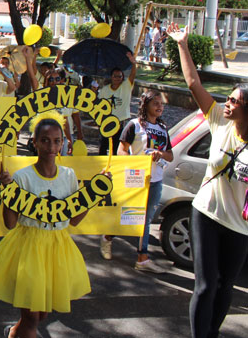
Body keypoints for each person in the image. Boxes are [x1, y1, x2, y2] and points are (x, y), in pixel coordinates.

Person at [167, 24, 248, 338]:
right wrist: (183, 45)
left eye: (232, 101)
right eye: (227, 99)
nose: (225, 103)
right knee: (204, 285)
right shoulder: (218, 121)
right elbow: (192, 83)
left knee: (225, 285)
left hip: (239, 225)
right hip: (206, 213)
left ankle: (211, 332)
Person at [0, 117, 92, 338]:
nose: (51, 147)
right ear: (34, 142)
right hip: (29, 249)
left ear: (62, 143)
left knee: (41, 314)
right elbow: (10, 222)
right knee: (33, 317)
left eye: (56, 141)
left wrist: (94, 194)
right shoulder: (22, 177)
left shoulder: (69, 176)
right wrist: (7, 192)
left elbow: (74, 219)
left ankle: (13, 333)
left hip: (57, 250)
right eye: (45, 141)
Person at [102, 90, 173, 270]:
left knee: (146, 219)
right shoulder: (134, 125)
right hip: (136, 179)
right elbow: (121, 150)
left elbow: (170, 155)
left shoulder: (163, 128)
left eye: (161, 104)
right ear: (146, 104)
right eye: (155, 103)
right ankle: (108, 236)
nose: (159, 106)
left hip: (155, 180)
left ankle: (142, 258)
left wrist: (160, 154)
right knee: (128, 215)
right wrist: (133, 166)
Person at [97, 52, 137, 156]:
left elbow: (132, 75)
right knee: (103, 146)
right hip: (106, 122)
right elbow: (98, 105)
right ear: (111, 77)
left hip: (120, 122)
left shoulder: (126, 87)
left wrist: (133, 64)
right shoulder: (105, 90)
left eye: (119, 76)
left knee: (116, 148)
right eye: (115, 76)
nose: (117, 78)